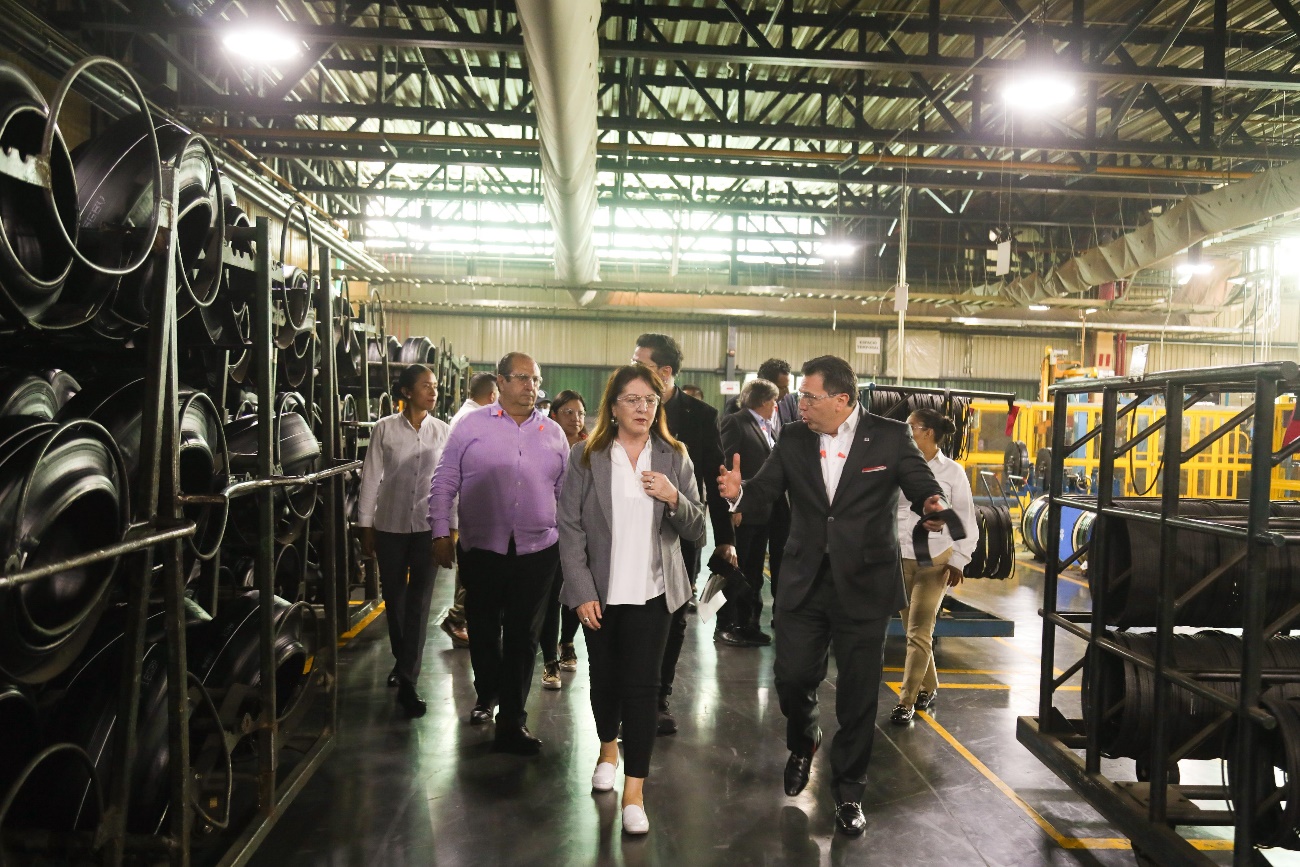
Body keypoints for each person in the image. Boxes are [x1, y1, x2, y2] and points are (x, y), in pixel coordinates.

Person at [716, 355, 949, 836]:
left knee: (858, 696)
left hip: (863, 583)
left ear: (843, 400)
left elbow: (918, 481)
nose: (799, 403)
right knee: (792, 675)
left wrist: (931, 503)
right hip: (804, 579)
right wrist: (739, 495)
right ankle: (805, 738)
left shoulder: (887, 435)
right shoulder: (795, 437)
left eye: (809, 396)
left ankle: (848, 791)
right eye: (800, 395)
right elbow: (764, 491)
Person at [557, 365, 705, 835]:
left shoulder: (674, 457)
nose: (643, 408)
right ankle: (606, 748)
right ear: (614, 406)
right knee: (604, 682)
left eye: (650, 400)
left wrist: (673, 497)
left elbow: (698, 526)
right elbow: (570, 528)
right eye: (633, 400)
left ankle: (635, 794)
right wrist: (581, 592)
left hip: (652, 596)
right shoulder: (586, 456)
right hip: (599, 597)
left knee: (643, 690)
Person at [429, 352, 569, 755]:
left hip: (539, 549)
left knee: (524, 635)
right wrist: (440, 530)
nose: (531, 387)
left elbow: (563, 491)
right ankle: (487, 691)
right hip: (483, 548)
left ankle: (512, 719)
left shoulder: (552, 432)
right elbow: (444, 481)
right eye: (523, 378)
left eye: (536, 379)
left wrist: (567, 538)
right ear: (501, 382)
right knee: (485, 630)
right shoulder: (470, 426)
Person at [633, 333, 737, 736]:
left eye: (640, 363)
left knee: (673, 613)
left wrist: (725, 538)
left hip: (680, 535)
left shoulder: (698, 415)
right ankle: (630, 695)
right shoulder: (621, 406)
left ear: (665, 372)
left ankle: (658, 698)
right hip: (628, 532)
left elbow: (716, 477)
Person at [355, 364, 451, 718]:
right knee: (394, 599)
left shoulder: (443, 432)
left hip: (427, 529)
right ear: (407, 392)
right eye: (426, 386)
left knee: (420, 602)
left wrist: (448, 530)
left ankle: (409, 679)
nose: (433, 391)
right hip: (391, 527)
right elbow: (370, 480)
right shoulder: (384, 430)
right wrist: (366, 526)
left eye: (435, 386)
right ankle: (402, 660)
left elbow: (448, 486)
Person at [890, 408, 977, 725]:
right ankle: (931, 685)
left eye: (910, 426)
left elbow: (967, 521)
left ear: (927, 432)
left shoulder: (953, 472)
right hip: (900, 559)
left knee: (918, 631)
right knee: (912, 631)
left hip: (934, 564)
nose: (905, 430)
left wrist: (958, 560)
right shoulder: (899, 467)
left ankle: (906, 700)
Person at [437, 370, 501, 649]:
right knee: (470, 570)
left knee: (472, 569)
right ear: (492, 395)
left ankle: (461, 617)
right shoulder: (471, 419)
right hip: (471, 508)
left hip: (471, 507)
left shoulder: (466, 415)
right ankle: (457, 617)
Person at [716, 377, 781, 647]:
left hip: (762, 512)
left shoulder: (768, 427)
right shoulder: (737, 421)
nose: (776, 406)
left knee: (753, 572)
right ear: (765, 401)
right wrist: (733, 507)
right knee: (734, 570)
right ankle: (727, 625)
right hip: (741, 512)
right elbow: (725, 465)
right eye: (774, 401)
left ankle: (748, 623)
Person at [539, 390, 588, 689]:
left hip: (581, 533)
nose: (575, 418)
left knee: (575, 593)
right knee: (551, 597)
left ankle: (567, 641)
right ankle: (548, 660)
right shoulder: (543, 443)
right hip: (550, 531)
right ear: (554, 414)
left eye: (580, 412)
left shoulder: (591, 448)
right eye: (568, 412)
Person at [724, 358, 792, 428]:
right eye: (781, 388)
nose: (787, 392)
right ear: (764, 384)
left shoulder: (789, 402)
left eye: (787, 387)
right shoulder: (736, 405)